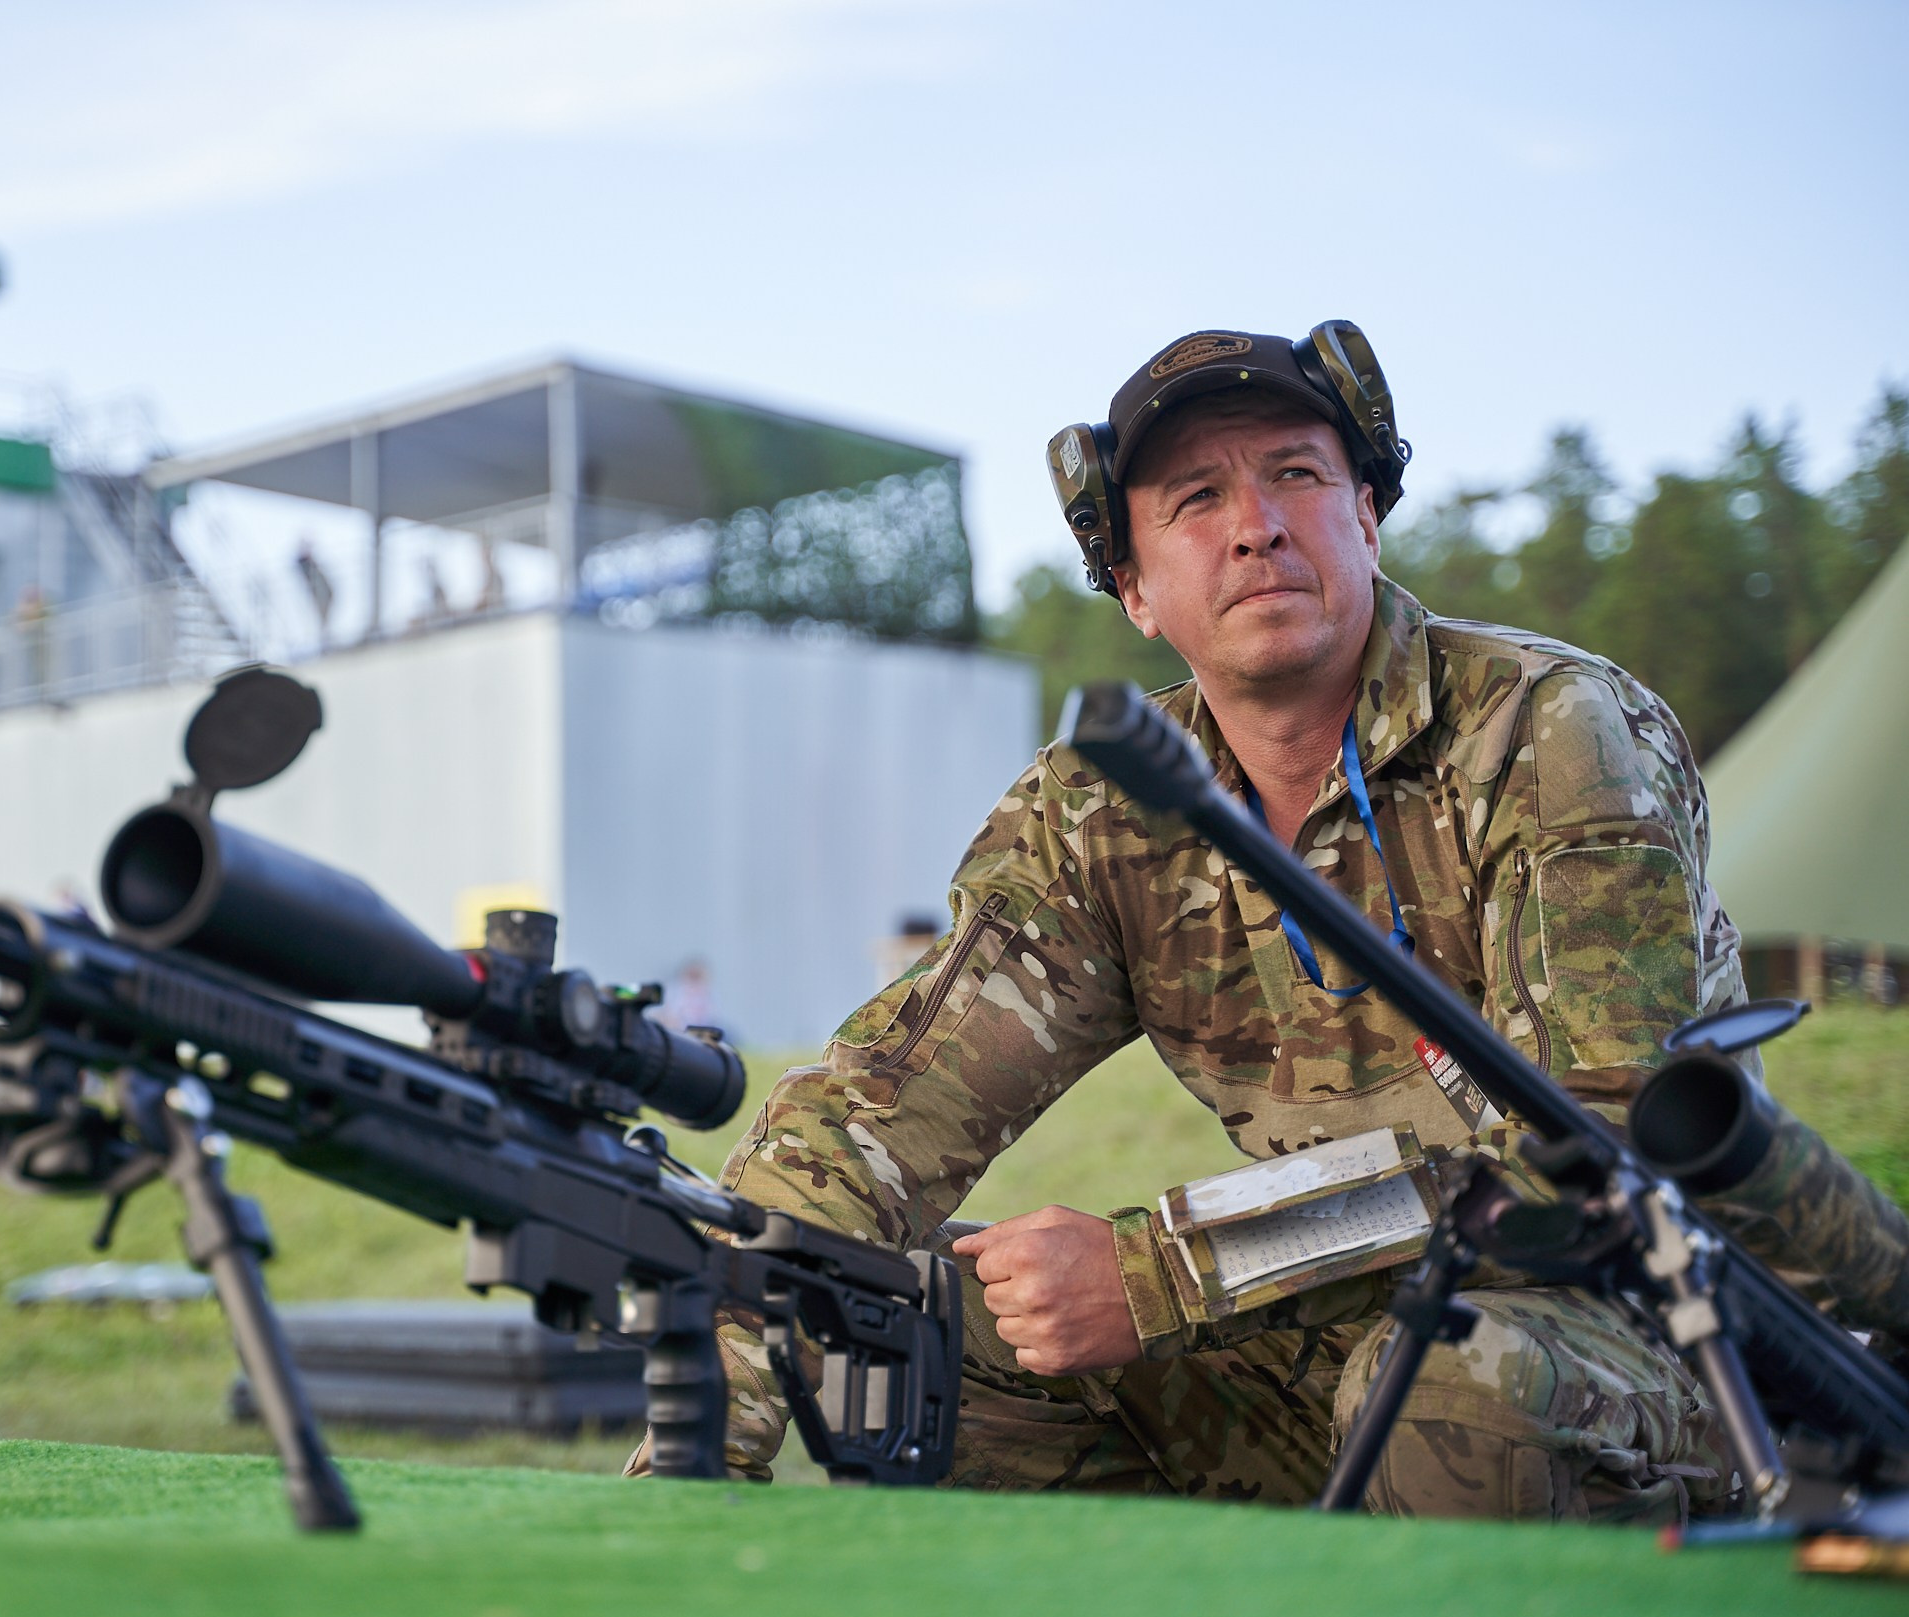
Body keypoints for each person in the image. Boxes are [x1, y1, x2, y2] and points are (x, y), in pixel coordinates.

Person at [661, 324, 1909, 1521]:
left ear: (1365, 516)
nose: (1255, 525)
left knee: (1453, 1380)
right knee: (923, 1326)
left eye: (1297, 475)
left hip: (1649, 1338)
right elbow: (878, 1110)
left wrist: (1161, 1271)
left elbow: (1596, 1148)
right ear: (1135, 589)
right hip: (1329, 1331)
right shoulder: (1106, 805)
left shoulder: (1551, 730)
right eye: (1194, 499)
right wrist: (699, 1447)